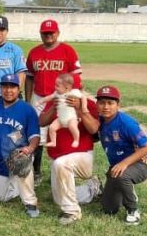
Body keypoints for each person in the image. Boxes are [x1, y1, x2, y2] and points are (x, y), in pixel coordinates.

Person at [25, 19, 83, 185]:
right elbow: (29, 77)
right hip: (39, 97)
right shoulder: (34, 52)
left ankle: (60, 169)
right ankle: (36, 171)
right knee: (37, 135)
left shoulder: (67, 50)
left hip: (62, 99)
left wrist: (74, 97)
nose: (48, 35)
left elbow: (76, 76)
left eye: (51, 32)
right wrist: (28, 100)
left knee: (61, 132)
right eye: (45, 33)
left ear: (58, 33)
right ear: (41, 34)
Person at [40, 75, 101, 225]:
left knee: (62, 164)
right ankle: (93, 188)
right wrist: (54, 107)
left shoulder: (90, 105)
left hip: (82, 156)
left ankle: (72, 212)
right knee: (58, 198)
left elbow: (94, 129)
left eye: (76, 90)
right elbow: (42, 122)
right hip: (59, 158)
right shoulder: (57, 100)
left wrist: (80, 109)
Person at [96, 86, 147, 225]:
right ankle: (106, 188)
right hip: (117, 167)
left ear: (118, 105)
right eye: (102, 102)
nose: (106, 107)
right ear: (97, 104)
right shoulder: (100, 120)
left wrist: (124, 163)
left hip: (140, 163)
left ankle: (133, 210)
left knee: (122, 175)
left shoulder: (126, 123)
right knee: (109, 209)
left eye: (110, 103)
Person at [0, 74, 40, 218]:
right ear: (0, 88)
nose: (8, 90)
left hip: (20, 154)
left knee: (21, 161)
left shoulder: (27, 109)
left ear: (18, 88)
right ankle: (17, 184)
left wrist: (30, 149)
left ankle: (30, 202)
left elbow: (35, 136)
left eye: (12, 87)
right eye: (5, 86)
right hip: (0, 160)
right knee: (1, 197)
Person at [36, 74, 87, 148]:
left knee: (73, 127)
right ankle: (54, 142)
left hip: (71, 118)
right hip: (60, 119)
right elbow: (48, 97)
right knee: (52, 128)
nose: (55, 87)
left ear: (67, 88)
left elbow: (83, 97)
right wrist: (40, 101)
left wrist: (84, 107)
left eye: (57, 86)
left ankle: (76, 140)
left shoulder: (73, 92)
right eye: (55, 85)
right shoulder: (56, 93)